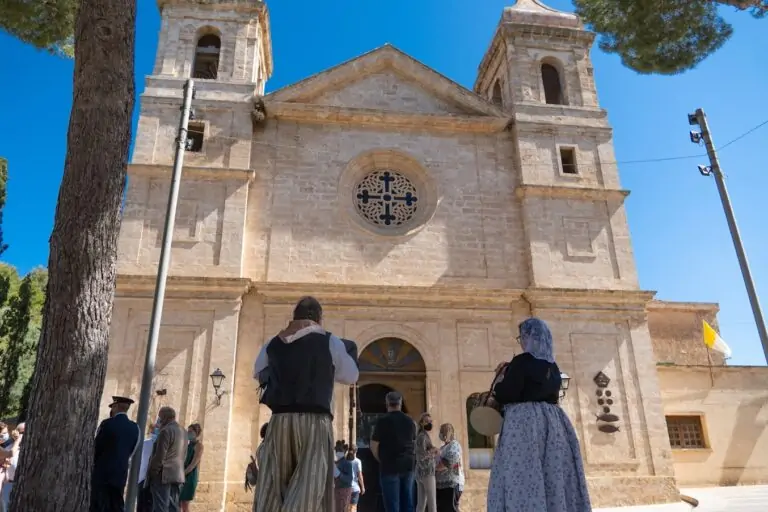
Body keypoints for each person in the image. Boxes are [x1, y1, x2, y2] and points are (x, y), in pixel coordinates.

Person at [253, 296, 359, 512]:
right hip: (315, 420)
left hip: (280, 420)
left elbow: (258, 372)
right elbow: (351, 375)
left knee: (275, 483)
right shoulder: (330, 341)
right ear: (318, 318)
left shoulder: (272, 343)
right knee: (310, 483)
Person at [487, 318, 592, 511]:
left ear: (531, 337)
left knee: (524, 473)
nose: (522, 342)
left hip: (524, 424)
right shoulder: (553, 366)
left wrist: (502, 378)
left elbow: (507, 393)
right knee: (550, 473)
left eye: (522, 337)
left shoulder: (521, 361)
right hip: (553, 423)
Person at [91, 396, 142, 512]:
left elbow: (96, 447)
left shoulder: (107, 424)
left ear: (116, 407)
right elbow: (132, 451)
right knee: (116, 505)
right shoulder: (135, 428)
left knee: (98, 504)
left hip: (102, 472)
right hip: (120, 472)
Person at [370, 391, 416, 512]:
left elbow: (374, 445)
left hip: (389, 466)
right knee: (408, 503)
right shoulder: (410, 422)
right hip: (407, 465)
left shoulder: (382, 421)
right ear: (400, 403)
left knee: (392, 505)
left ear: (387, 403)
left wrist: (381, 459)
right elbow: (414, 443)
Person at [147, 406, 187, 512]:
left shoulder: (165, 431)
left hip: (163, 476)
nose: (158, 420)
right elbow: (184, 454)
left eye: (159, 417)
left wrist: (152, 472)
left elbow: (160, 456)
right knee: (173, 508)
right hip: (177, 475)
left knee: (160, 507)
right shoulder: (183, 431)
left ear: (164, 417)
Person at [435, 423, 464, 512]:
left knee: (450, 509)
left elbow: (448, 463)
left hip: (451, 485)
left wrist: (434, 467)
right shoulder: (444, 447)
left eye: (442, 432)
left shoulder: (454, 445)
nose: (440, 434)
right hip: (442, 486)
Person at [414, 413, 437, 512]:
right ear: (422, 423)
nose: (429, 423)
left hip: (421, 473)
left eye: (430, 421)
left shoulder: (422, 435)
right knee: (432, 503)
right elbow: (422, 455)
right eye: (427, 421)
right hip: (427, 472)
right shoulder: (422, 437)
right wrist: (433, 450)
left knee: (421, 503)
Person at [180, 424, 204, 512]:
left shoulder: (199, 446)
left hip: (190, 476)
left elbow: (193, 464)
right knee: (178, 502)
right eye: (188, 431)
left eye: (190, 432)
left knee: (185, 504)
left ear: (196, 433)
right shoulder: (187, 444)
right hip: (182, 473)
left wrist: (182, 474)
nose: (188, 433)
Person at [334, 444, 354, 512]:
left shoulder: (347, 463)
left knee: (342, 509)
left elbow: (349, 479)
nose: (337, 453)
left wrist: (339, 475)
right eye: (336, 450)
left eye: (338, 451)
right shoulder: (336, 463)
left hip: (344, 490)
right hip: (337, 490)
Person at [348, 447, 365, 512]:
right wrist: (362, 487)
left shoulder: (345, 460)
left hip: (346, 487)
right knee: (353, 507)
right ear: (356, 451)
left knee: (346, 507)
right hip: (355, 487)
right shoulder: (357, 461)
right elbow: (360, 475)